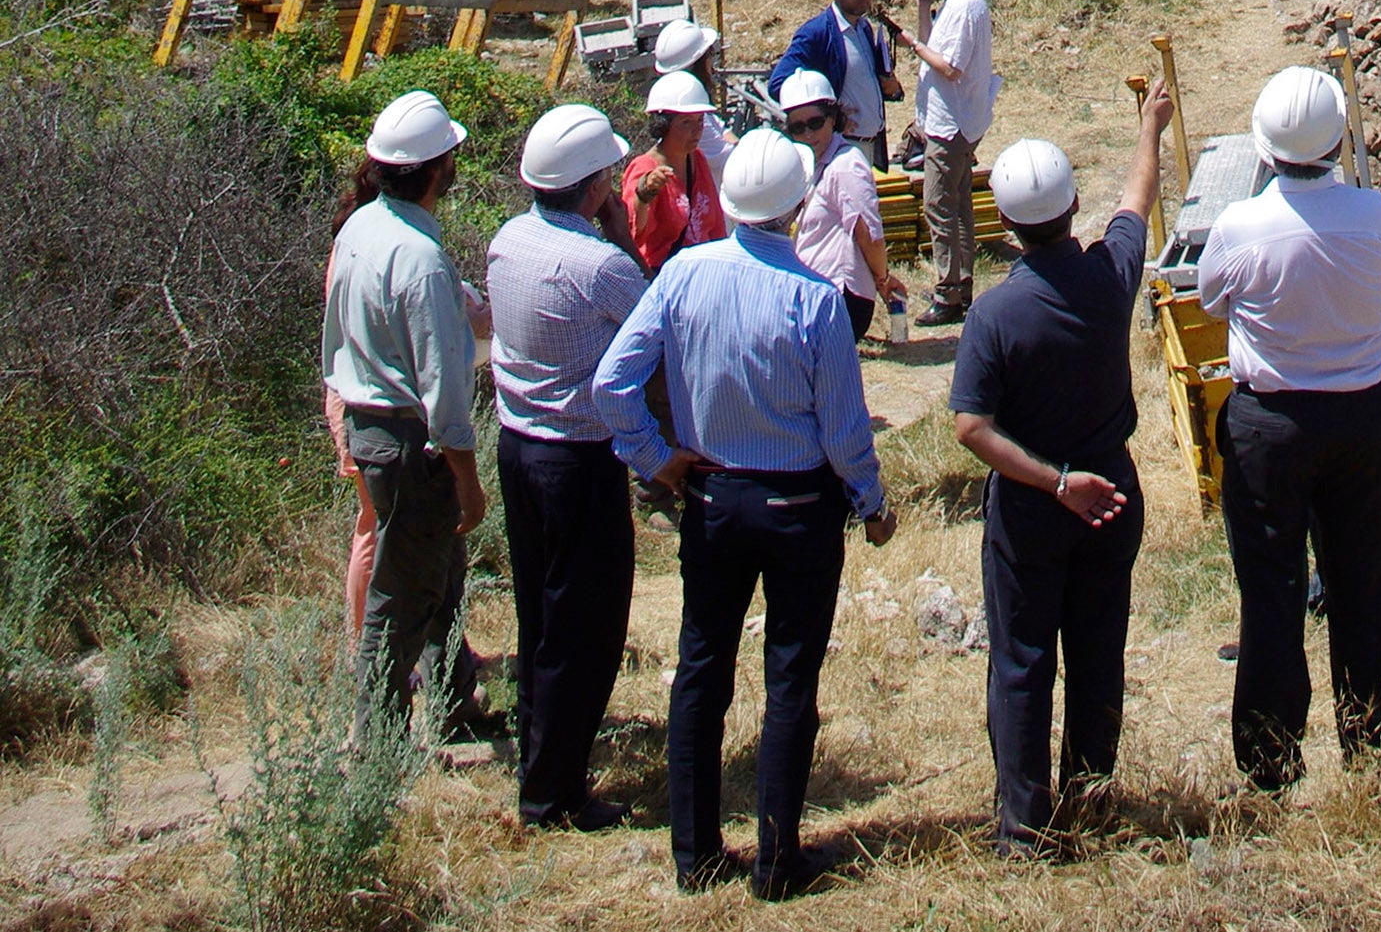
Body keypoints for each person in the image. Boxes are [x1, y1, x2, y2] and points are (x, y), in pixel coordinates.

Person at [593, 127, 898, 900]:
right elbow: (842, 428)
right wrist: (870, 501)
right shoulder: (815, 299)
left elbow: (611, 384)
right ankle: (775, 857)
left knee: (701, 668)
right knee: (791, 676)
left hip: (714, 500)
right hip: (798, 506)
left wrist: (653, 455)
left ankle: (693, 853)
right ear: (797, 206)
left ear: (728, 202)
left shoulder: (684, 275)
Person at [949, 86, 1175, 857]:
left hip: (1033, 502)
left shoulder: (995, 315)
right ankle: (1093, 790)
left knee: (1021, 659)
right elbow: (1138, 197)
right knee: (1097, 647)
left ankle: (1022, 824)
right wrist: (1148, 125)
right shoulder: (1111, 277)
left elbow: (970, 425)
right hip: (1112, 491)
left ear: (1004, 225)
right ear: (1073, 204)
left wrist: (1050, 482)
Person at [1196, 66, 1381, 790]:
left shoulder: (1240, 226)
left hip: (1271, 427)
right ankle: (1370, 741)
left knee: (1271, 590)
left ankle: (1269, 757)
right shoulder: (1373, 213)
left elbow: (1213, 300)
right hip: (1361, 416)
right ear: (1338, 137)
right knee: (1366, 582)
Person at [485, 103, 649, 832]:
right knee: (585, 622)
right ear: (593, 187)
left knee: (540, 612)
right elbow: (652, 327)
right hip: (577, 459)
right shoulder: (600, 263)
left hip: (518, 447)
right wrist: (623, 238)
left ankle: (539, 762)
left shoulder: (506, 240)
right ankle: (554, 791)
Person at [318, 87, 488, 736]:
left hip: (370, 425)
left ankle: (452, 707)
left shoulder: (362, 226)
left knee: (437, 578)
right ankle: (379, 741)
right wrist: (466, 476)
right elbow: (443, 384)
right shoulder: (419, 257)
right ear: (437, 167)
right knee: (401, 598)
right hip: (409, 437)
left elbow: (336, 336)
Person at [896, 0, 995, 325]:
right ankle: (960, 285)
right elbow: (934, 46)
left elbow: (949, 66)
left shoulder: (965, 8)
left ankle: (949, 293)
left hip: (951, 126)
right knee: (957, 207)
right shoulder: (955, 5)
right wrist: (923, 11)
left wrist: (912, 47)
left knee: (939, 206)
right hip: (952, 122)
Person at [778, 68, 904, 341]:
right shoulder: (808, 163)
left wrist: (882, 279)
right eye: (798, 127)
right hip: (815, 292)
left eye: (815, 123)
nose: (808, 134)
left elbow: (869, 234)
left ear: (833, 118)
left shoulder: (846, 164)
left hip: (839, 297)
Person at [321, 157, 386, 640]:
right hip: (357, 398)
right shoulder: (362, 243)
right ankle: (364, 643)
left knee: (375, 523)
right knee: (374, 525)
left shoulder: (351, 238)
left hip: (348, 394)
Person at [770, 0, 900, 168]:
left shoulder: (864, 28)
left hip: (869, 145)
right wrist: (830, 114)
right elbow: (778, 84)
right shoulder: (816, 33)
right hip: (841, 149)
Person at [623, 71, 730, 276]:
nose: (697, 130)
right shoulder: (644, 168)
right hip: (667, 280)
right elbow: (635, 234)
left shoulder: (697, 159)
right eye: (686, 123)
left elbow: (716, 223)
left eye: (700, 121)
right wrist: (644, 195)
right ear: (663, 126)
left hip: (704, 274)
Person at [653, 13, 733, 173]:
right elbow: (730, 157)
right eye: (709, 55)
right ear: (699, 64)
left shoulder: (694, 112)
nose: (712, 63)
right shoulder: (690, 118)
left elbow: (723, 130)